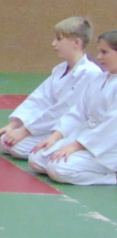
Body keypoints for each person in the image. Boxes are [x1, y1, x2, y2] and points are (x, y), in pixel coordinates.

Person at [0, 17, 100, 158]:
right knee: (5, 141)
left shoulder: (90, 73)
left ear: (76, 42)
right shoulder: (60, 69)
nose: (53, 43)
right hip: (50, 125)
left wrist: (25, 131)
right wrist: (14, 125)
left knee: (18, 148)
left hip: (71, 130)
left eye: (59, 39)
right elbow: (40, 99)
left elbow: (63, 109)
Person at [27, 30, 117, 186]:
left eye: (104, 52)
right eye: (99, 52)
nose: (99, 57)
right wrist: (56, 137)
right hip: (88, 137)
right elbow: (78, 112)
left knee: (58, 169)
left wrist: (76, 145)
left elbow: (112, 127)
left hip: (108, 146)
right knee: (37, 159)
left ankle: (112, 176)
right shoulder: (99, 79)